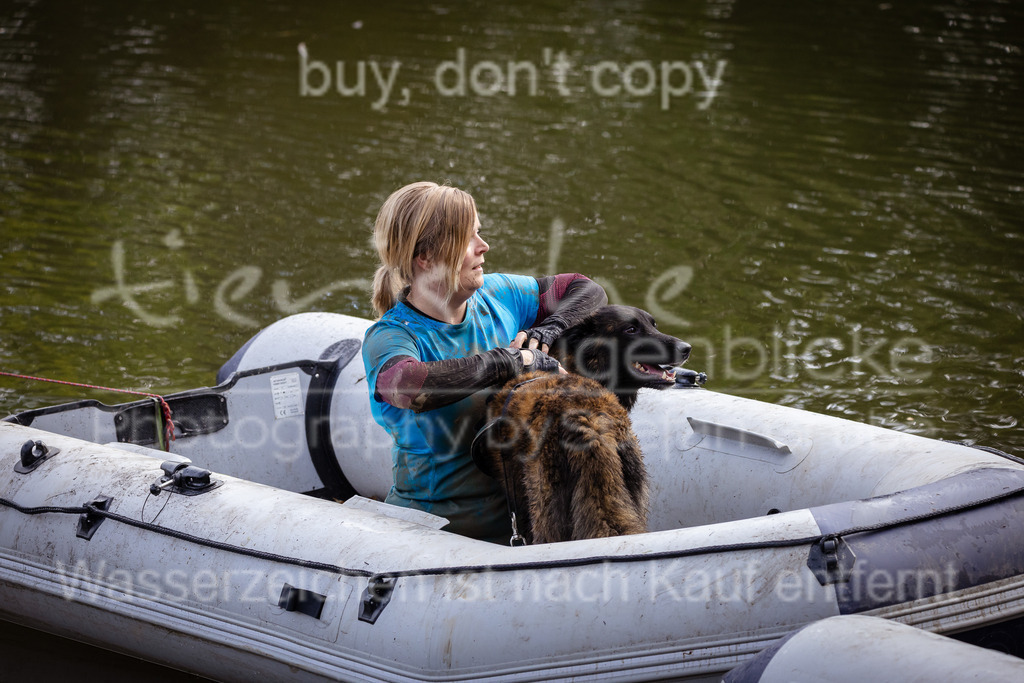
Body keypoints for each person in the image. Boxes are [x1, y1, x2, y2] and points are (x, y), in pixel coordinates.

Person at [361, 181, 607, 543]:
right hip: (424, 536)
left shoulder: (499, 294)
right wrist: (512, 360)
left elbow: (586, 289)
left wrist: (550, 330)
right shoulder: (391, 337)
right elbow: (410, 386)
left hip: (510, 534)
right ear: (425, 257)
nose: (483, 246)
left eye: (480, 232)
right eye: (467, 238)